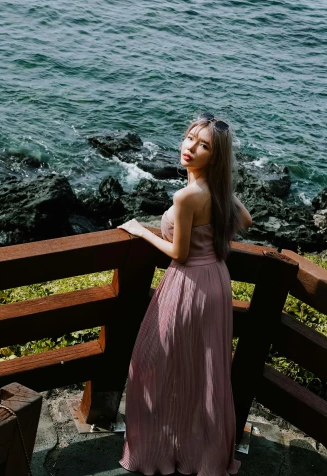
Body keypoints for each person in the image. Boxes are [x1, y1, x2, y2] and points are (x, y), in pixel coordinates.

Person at [116, 113, 253, 476]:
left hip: (188, 284)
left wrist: (140, 231)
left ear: (215, 156)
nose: (190, 147)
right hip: (217, 283)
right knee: (204, 373)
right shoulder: (218, 191)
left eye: (203, 144)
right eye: (190, 138)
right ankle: (201, 455)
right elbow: (246, 219)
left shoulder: (187, 195)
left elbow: (178, 253)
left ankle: (157, 451)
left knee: (151, 365)